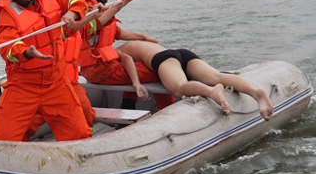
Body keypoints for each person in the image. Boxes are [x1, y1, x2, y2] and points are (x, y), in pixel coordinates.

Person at [0, 0, 103, 142]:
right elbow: (6, 45)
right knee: (2, 140)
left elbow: (74, 2)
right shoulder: (7, 12)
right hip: (23, 86)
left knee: (78, 134)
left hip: (56, 81)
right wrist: (27, 52)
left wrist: (72, 14)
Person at [78, 0, 175, 110]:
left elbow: (116, 32)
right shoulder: (87, 9)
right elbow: (98, 23)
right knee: (160, 69)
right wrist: (119, 6)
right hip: (102, 71)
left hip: (103, 68)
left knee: (135, 64)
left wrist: (143, 37)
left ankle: (128, 106)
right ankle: (168, 109)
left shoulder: (101, 7)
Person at [117, 41, 274, 120]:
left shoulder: (116, 50)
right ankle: (256, 92)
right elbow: (143, 37)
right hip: (180, 53)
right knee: (217, 76)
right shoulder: (135, 41)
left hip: (163, 59)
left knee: (180, 87)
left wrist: (136, 84)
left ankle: (211, 91)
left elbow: (127, 59)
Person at [23, 0, 96, 140]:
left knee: (85, 110)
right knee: (33, 118)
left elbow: (86, 25)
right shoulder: (49, 28)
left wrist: (96, 14)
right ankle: (16, 145)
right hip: (51, 81)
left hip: (69, 81)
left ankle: (86, 140)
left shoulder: (71, 20)